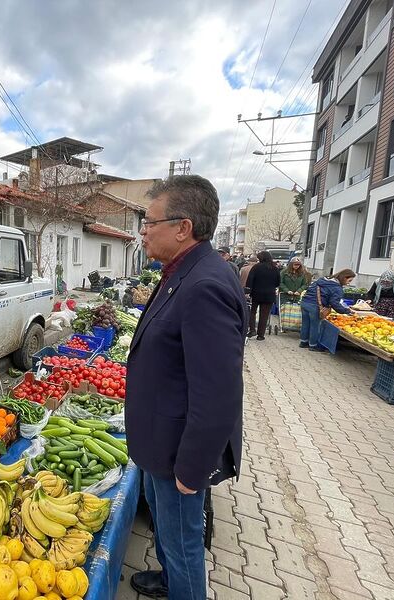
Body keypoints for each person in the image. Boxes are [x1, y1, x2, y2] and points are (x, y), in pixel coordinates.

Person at [126, 175, 246, 600]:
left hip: (178, 450)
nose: (143, 232)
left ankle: (185, 588)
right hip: (160, 438)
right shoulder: (182, 270)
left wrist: (191, 470)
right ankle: (169, 578)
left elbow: (218, 395)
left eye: (148, 222)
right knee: (166, 530)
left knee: (184, 542)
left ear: (182, 227)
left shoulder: (205, 285)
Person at [300, 268, 355, 352]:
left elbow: (310, 289)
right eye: (349, 280)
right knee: (315, 326)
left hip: (305, 302)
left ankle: (303, 342)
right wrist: (346, 311)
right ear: (344, 277)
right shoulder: (337, 288)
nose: (349, 283)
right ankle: (313, 345)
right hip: (315, 306)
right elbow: (334, 303)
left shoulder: (322, 280)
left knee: (305, 323)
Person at [246, 251, 281, 340]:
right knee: (264, 315)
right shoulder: (275, 268)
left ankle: (252, 330)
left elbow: (250, 280)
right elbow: (278, 282)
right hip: (269, 294)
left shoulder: (256, 267)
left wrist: (248, 291)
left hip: (256, 293)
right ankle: (261, 335)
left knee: (252, 312)